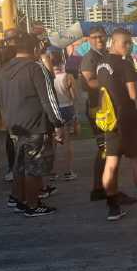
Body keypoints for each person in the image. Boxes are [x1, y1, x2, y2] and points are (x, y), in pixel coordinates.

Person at [0, 29, 65, 217]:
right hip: (35, 125)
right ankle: (33, 204)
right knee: (34, 167)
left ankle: (18, 198)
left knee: (19, 165)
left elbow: (0, 99)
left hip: (14, 125)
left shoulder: (3, 69)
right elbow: (49, 99)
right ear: (35, 47)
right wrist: (58, 124)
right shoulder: (36, 68)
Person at [96, 28, 137, 220]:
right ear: (114, 42)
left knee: (111, 163)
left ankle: (113, 208)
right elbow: (133, 94)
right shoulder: (124, 64)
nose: (128, 46)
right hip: (127, 116)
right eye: (125, 43)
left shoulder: (100, 64)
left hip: (109, 118)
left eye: (130, 42)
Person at [80, 26, 136, 205]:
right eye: (95, 37)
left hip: (108, 107)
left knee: (108, 150)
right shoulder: (90, 58)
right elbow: (88, 82)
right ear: (88, 39)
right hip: (99, 108)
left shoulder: (104, 56)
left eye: (102, 37)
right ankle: (104, 189)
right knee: (107, 150)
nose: (99, 40)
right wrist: (113, 83)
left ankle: (102, 188)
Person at [52, 49, 78, 181]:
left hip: (53, 110)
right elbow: (74, 96)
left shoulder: (47, 76)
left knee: (53, 142)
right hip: (67, 108)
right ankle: (68, 171)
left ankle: (52, 171)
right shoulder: (68, 76)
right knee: (67, 142)